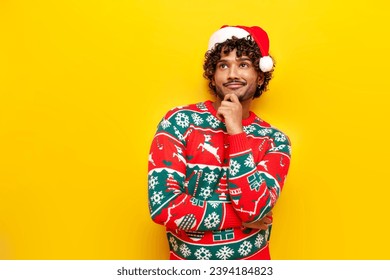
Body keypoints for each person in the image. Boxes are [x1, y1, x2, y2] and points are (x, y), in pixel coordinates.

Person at [147, 25, 291, 260]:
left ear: (260, 75)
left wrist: (236, 132)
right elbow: (164, 207)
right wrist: (240, 219)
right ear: (213, 76)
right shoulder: (179, 122)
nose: (232, 73)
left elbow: (254, 208)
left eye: (243, 64)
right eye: (223, 65)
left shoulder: (275, 140)